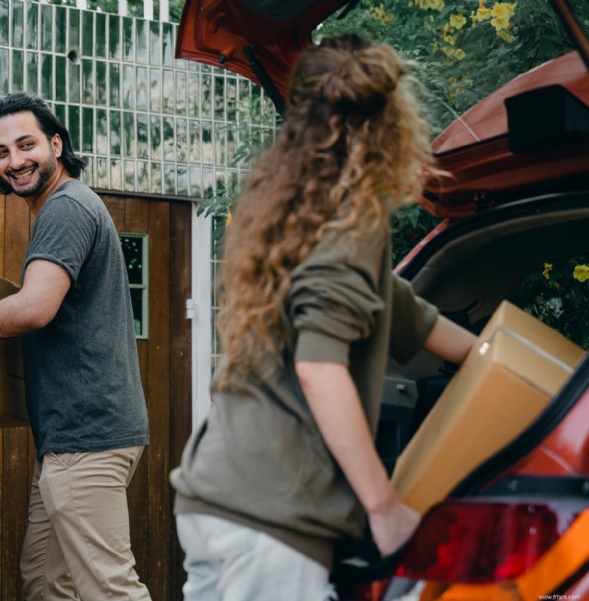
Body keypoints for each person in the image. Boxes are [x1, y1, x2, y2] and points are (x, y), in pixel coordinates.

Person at [169, 34, 477, 601]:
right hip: (273, 519)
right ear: (388, 124)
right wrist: (383, 508)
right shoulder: (354, 219)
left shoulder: (293, 213)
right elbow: (320, 368)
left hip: (216, 497)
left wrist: (502, 360)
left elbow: (408, 314)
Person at [0, 92, 152, 601]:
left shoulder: (65, 208)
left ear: (55, 144)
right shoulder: (63, 208)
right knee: (43, 582)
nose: (14, 161)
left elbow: (35, 308)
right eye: (1, 152)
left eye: (26, 145)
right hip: (69, 439)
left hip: (88, 437)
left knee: (111, 590)